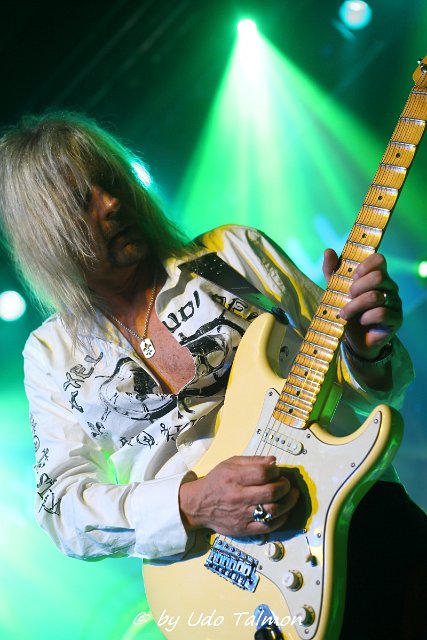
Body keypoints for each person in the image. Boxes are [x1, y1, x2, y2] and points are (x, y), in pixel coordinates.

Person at [0, 112, 425, 639]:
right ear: (45, 230)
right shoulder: (50, 354)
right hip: (218, 589)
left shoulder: (232, 253)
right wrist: (194, 502)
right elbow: (62, 508)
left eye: (110, 182)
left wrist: (364, 349)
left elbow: (366, 391)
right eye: (81, 200)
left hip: (360, 517)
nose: (111, 203)